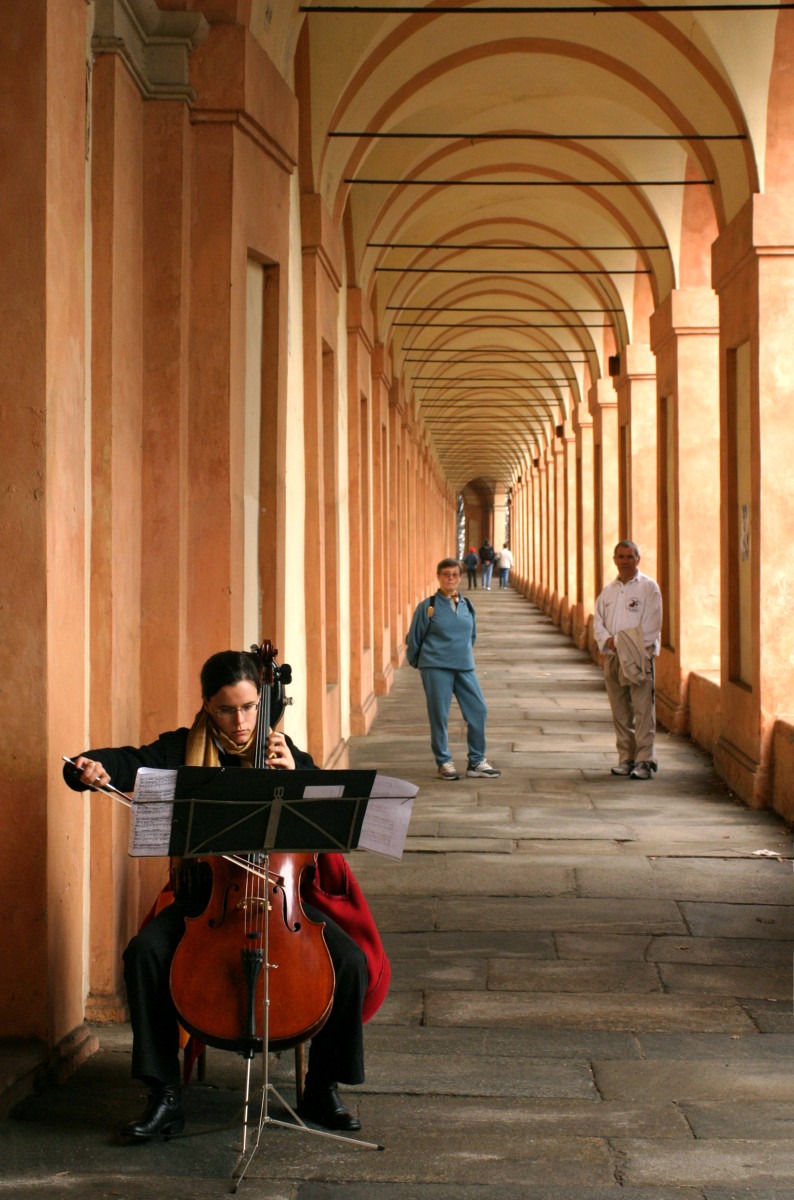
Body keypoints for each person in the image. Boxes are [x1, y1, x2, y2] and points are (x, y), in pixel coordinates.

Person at [64, 650, 386, 1140]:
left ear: (264, 702)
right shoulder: (179, 751)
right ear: (206, 707)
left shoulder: (284, 751)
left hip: (282, 898)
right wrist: (87, 769)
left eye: (250, 708)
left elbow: (329, 821)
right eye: (226, 710)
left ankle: (323, 1087)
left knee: (350, 962)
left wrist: (300, 775)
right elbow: (125, 763)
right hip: (207, 899)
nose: (241, 723)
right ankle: (164, 1095)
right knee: (145, 953)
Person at [406, 558, 501, 781]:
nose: (450, 578)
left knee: (479, 710)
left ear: (460, 577)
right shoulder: (428, 606)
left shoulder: (467, 605)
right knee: (440, 715)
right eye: (446, 574)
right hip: (435, 667)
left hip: (464, 666)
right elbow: (414, 639)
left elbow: (472, 635)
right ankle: (444, 762)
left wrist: (463, 654)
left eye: (454, 574)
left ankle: (476, 761)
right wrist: (421, 664)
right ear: (438, 577)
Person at [593, 541, 662, 781]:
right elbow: (598, 622)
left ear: (638, 559)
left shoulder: (648, 588)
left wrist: (627, 645)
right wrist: (608, 641)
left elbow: (652, 625)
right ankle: (626, 757)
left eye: (630, 556)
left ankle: (645, 759)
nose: (625, 561)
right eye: (620, 557)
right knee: (620, 711)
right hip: (612, 659)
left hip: (638, 658)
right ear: (614, 560)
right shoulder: (609, 591)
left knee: (643, 710)